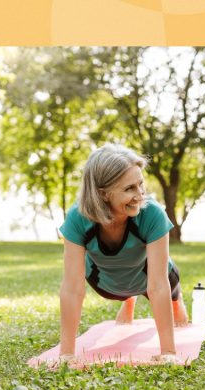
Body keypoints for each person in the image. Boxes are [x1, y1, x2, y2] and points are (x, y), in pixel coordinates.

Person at [57, 144, 188, 365]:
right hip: (106, 281)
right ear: (103, 194)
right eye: (129, 189)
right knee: (120, 290)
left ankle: (173, 300)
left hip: (147, 276)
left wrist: (169, 352)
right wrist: (66, 355)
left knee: (178, 309)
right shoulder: (78, 217)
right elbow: (72, 288)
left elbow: (158, 285)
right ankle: (129, 299)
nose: (140, 196)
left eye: (141, 185)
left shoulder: (152, 213)